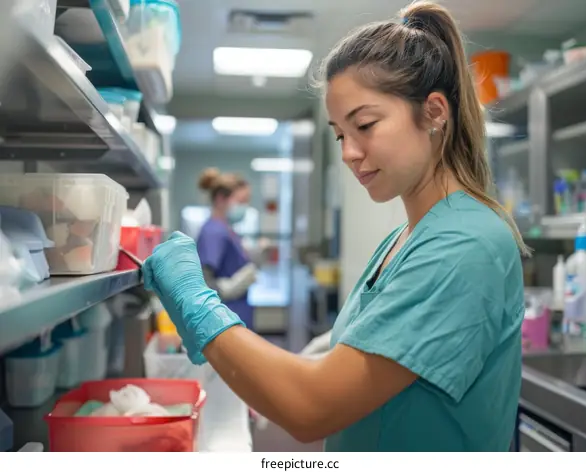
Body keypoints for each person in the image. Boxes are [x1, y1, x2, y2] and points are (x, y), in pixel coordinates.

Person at [143, 1, 527, 451]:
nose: (347, 152)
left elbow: (314, 409)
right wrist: (271, 376)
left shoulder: (465, 243)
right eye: (341, 134)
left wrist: (192, 300)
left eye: (365, 124)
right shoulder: (406, 237)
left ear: (434, 112)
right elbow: (364, 350)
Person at [195, 168, 257, 330]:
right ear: (221, 198)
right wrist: (233, 286)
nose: (245, 207)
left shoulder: (227, 230)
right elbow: (204, 284)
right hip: (223, 321)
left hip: (234, 316)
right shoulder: (214, 232)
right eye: (241, 201)